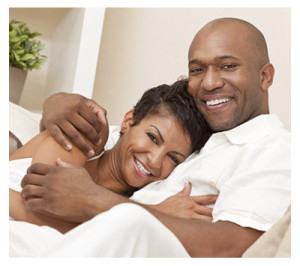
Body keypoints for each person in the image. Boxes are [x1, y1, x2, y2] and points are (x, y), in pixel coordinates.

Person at [15, 17, 290, 257]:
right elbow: (119, 140)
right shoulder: (198, 133)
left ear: (265, 76)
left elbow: (232, 248)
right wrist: (58, 102)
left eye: (228, 66)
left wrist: (95, 199)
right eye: (197, 70)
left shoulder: (275, 150)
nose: (209, 83)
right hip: (56, 236)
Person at [9, 80, 214, 234]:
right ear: (128, 121)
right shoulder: (85, 138)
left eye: (174, 158)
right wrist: (155, 213)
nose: (155, 160)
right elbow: (36, 205)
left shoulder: (131, 200)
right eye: (152, 137)